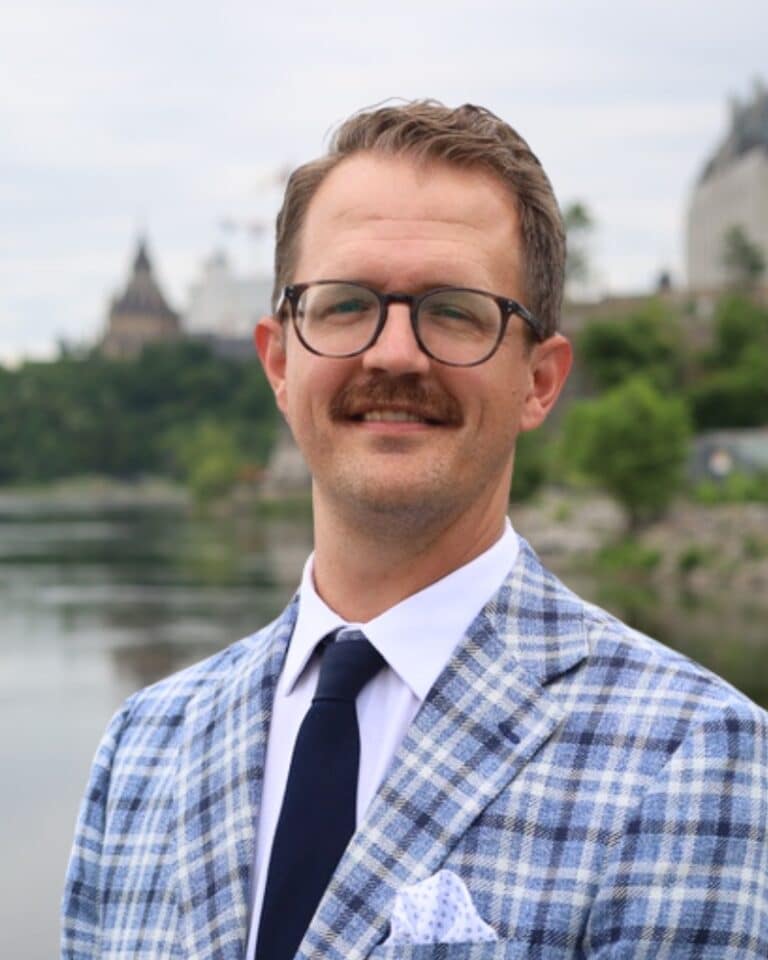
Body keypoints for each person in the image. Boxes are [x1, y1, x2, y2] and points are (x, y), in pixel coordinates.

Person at [62, 101, 768, 959]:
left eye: (455, 311)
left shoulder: (695, 756)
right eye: (346, 304)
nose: (394, 353)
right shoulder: (145, 746)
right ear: (279, 362)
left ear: (540, 381)